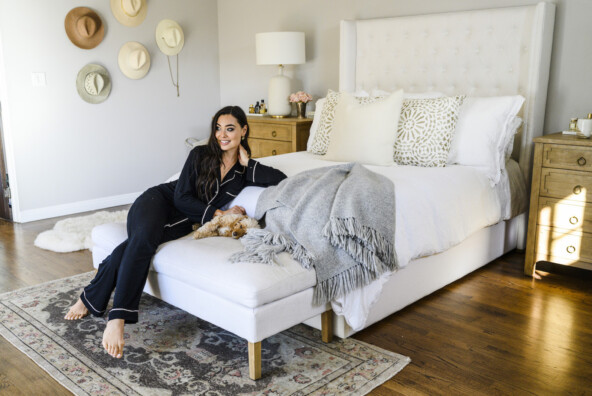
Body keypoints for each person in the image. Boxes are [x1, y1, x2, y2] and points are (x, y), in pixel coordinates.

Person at [64, 106, 287, 359]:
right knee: (143, 240)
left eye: (230, 128)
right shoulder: (200, 154)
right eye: (218, 128)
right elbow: (181, 197)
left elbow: (281, 178)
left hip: (182, 222)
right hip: (158, 202)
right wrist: (219, 215)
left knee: (138, 245)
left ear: (244, 130)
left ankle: (89, 296)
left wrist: (248, 162)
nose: (222, 135)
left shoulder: (243, 172)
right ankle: (118, 319)